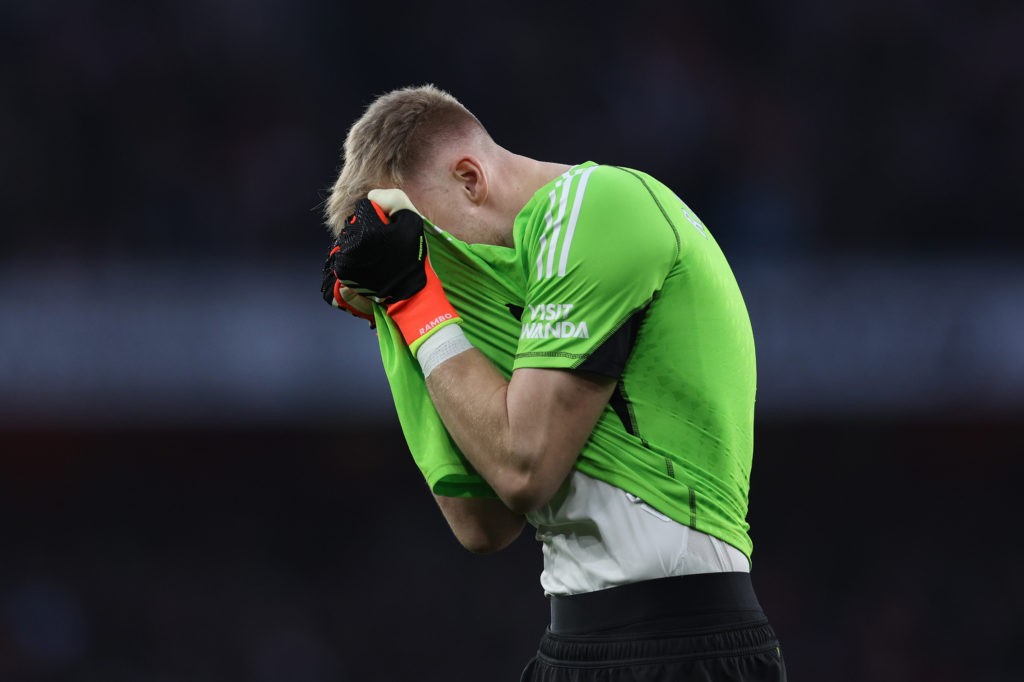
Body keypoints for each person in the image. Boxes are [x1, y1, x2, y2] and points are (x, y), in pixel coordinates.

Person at [320, 84, 786, 681]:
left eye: (429, 246)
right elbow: (481, 522)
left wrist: (415, 301)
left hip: (683, 643)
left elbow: (522, 469)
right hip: (572, 647)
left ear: (470, 178)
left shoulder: (601, 207)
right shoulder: (523, 285)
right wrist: (394, 314)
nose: (435, 270)